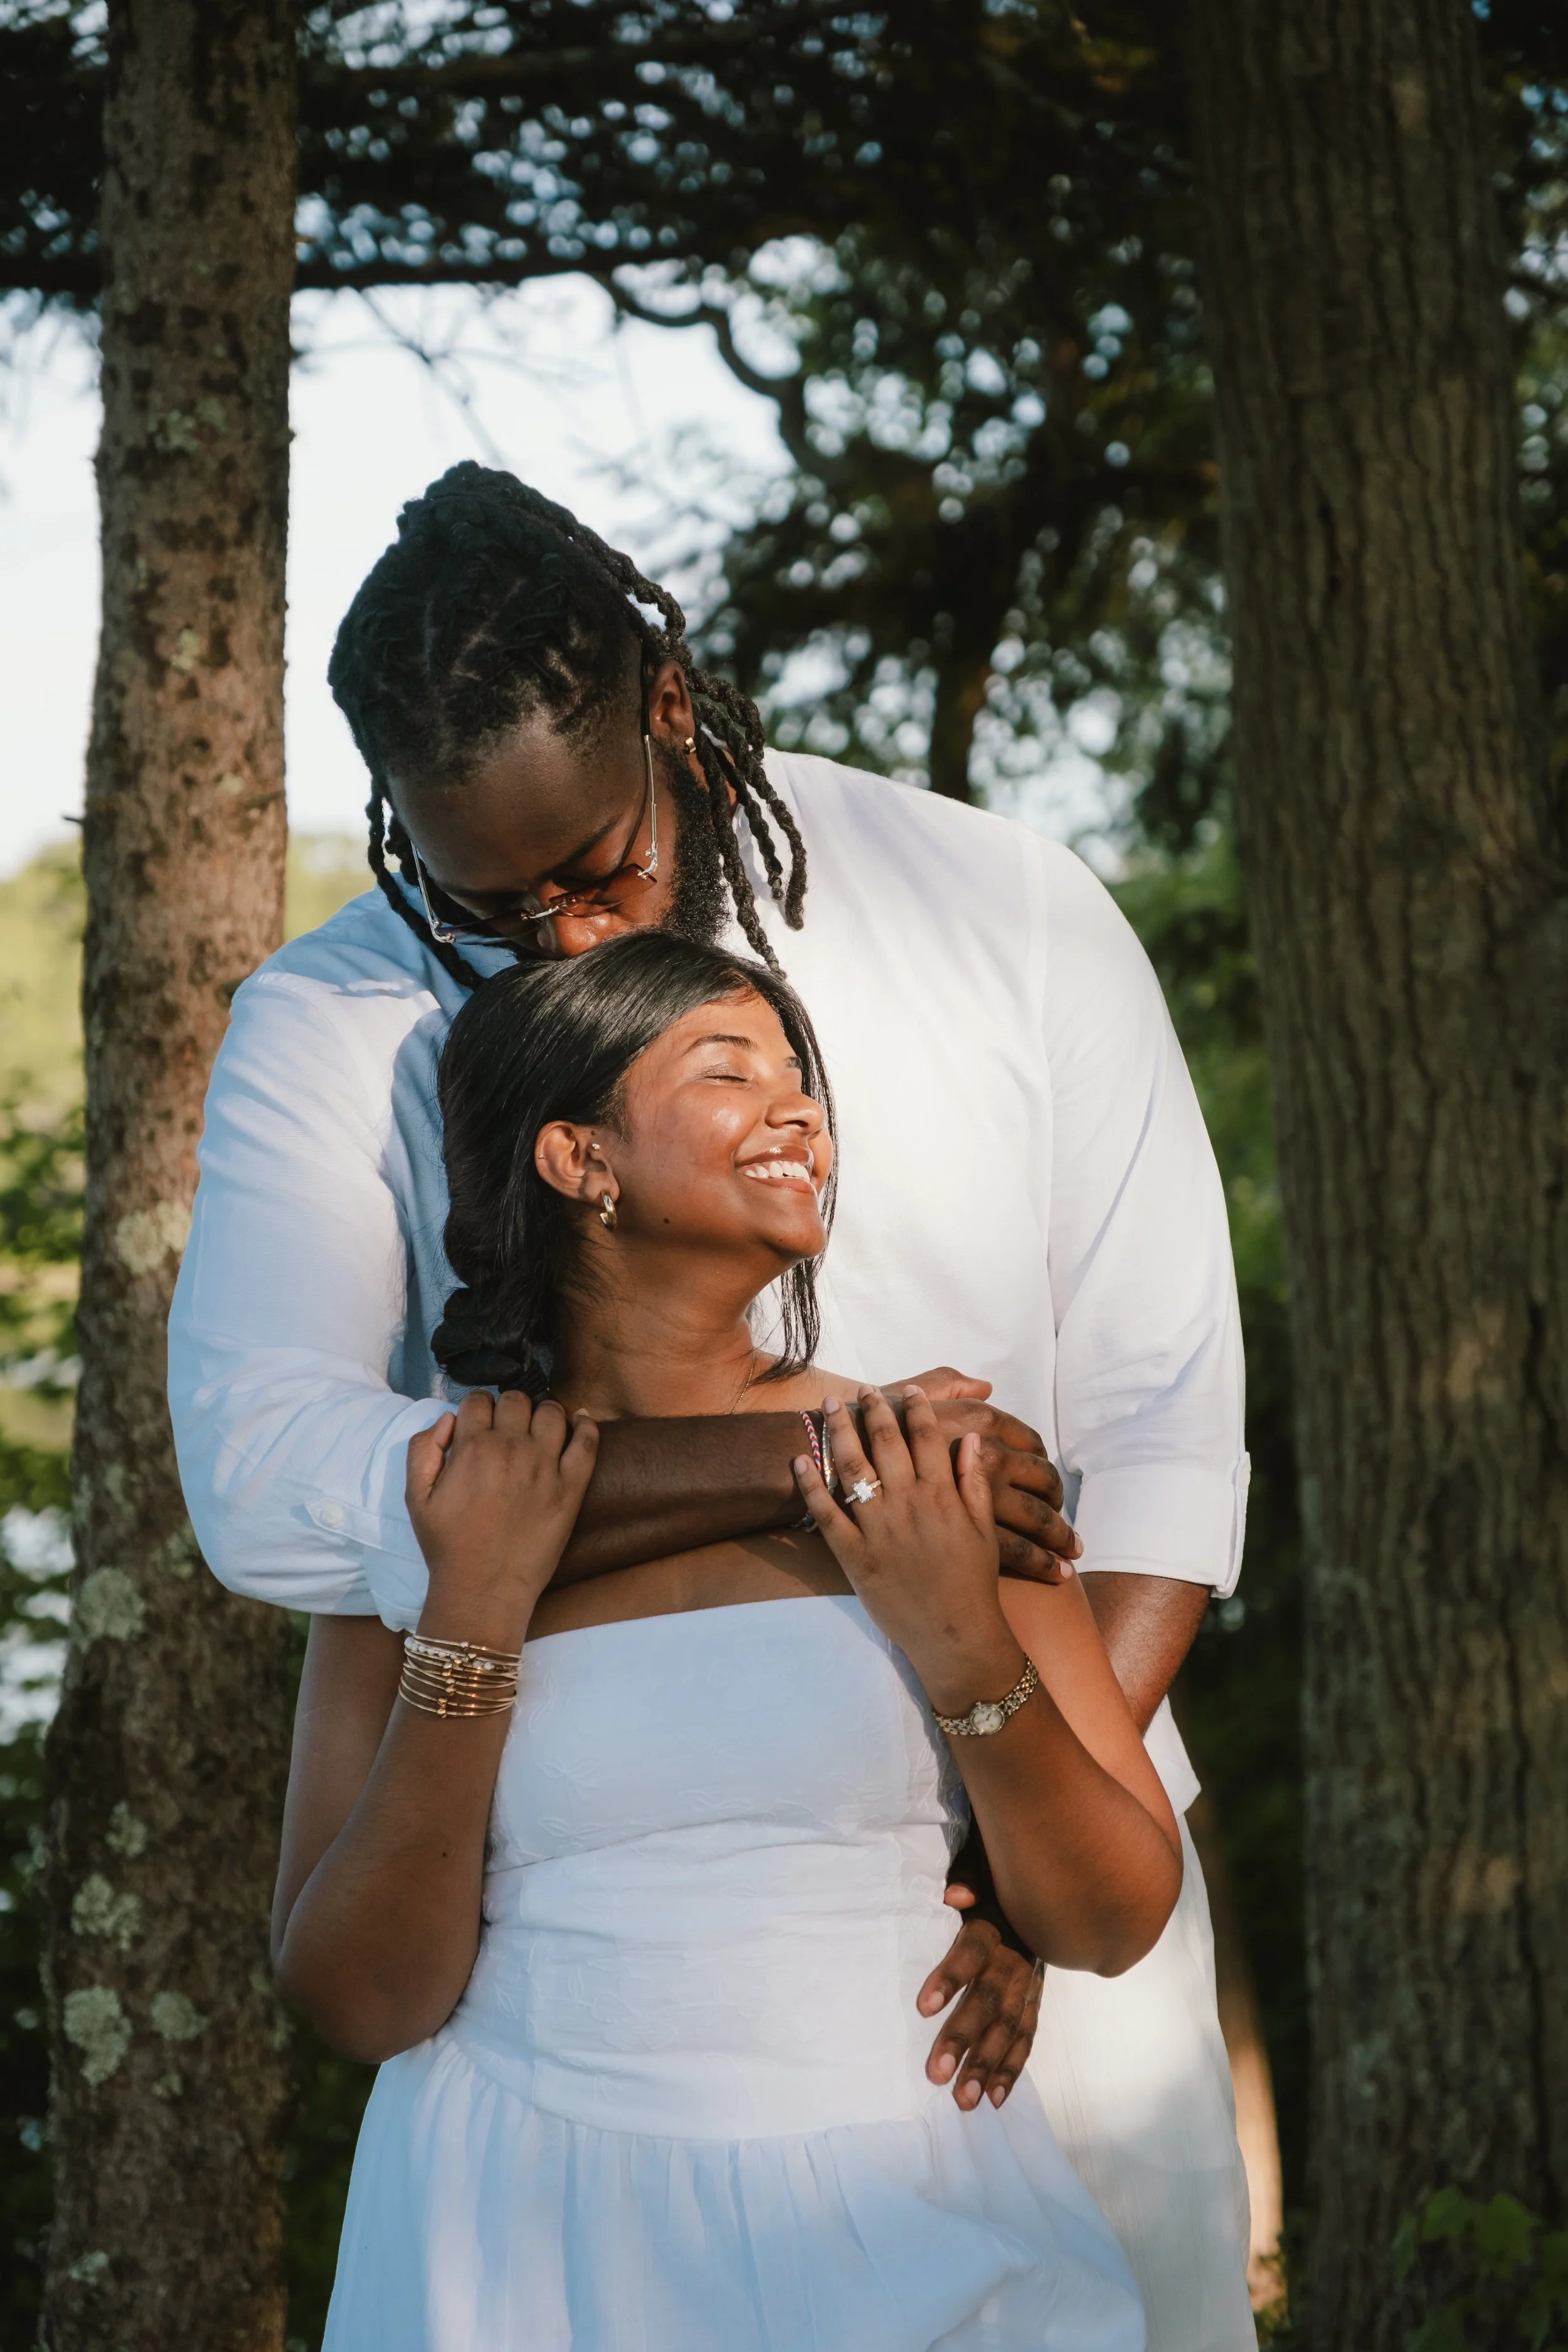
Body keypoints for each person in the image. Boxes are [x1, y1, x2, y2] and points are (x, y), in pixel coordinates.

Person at [169, 464, 1255, 2347]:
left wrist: (1010, 1860)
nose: (563, 942)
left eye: (598, 867)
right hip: (588, 2032)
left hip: (1012, 1932)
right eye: (483, 898)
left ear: (667, 705)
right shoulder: (332, 1023)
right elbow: (277, 1492)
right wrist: (845, 1465)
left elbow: (1162, 1439)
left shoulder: (997, 906)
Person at [278, 933, 1179, 2349]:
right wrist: (471, 1624)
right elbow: (358, 1997)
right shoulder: (436, 1502)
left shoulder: (928, 1459)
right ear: (582, 1162)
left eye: (798, 1075)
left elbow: (1112, 1914)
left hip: (912, 2207)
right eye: (728, 1067)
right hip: (522, 2238)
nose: (799, 1108)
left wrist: (959, 1650)